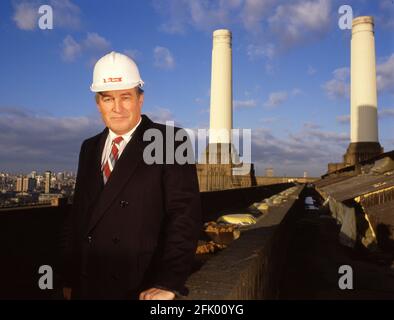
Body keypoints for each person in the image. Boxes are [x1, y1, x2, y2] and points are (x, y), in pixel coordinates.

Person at [61, 51, 202, 300]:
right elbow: (79, 217)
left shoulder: (170, 141)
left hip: (139, 285)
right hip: (88, 284)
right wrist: (69, 277)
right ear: (98, 104)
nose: (117, 108)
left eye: (125, 97)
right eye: (108, 99)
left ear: (140, 99)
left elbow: (184, 217)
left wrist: (169, 283)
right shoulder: (89, 147)